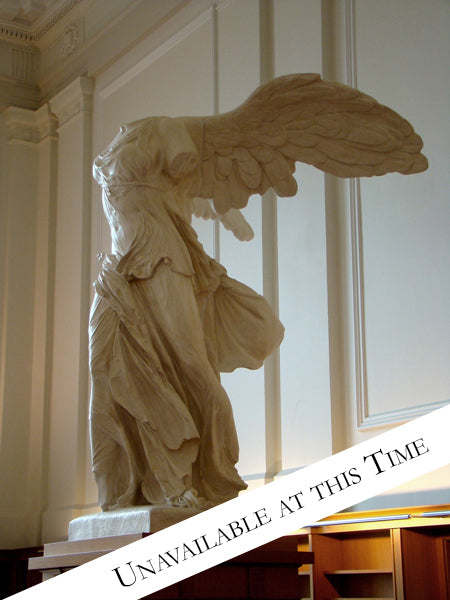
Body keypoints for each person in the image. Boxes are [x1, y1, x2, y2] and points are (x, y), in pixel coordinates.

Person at [90, 117, 284, 510]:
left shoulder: (165, 130)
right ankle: (128, 486)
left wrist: (223, 207)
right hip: (118, 268)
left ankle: (212, 472)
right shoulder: (124, 136)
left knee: (193, 367)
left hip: (161, 257)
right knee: (104, 368)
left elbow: (192, 175)